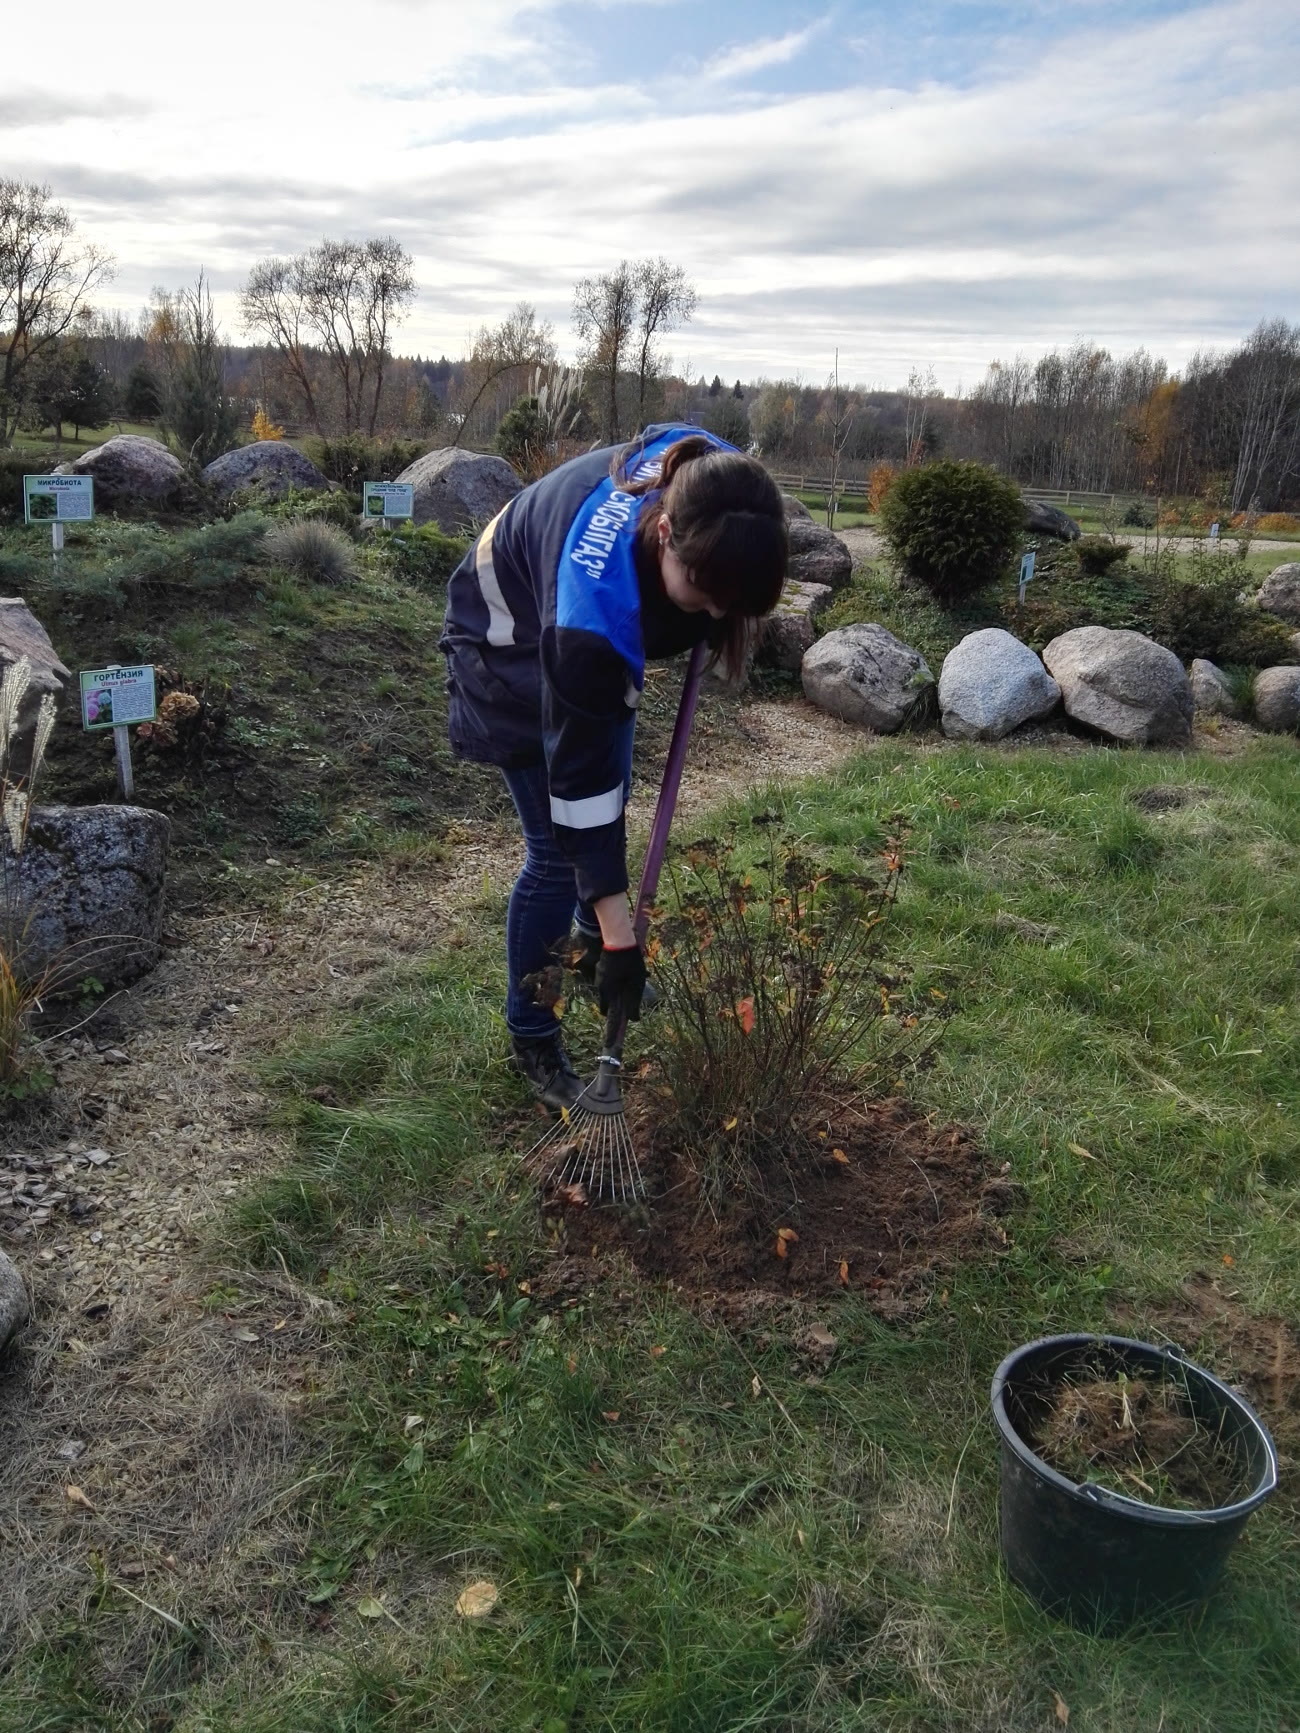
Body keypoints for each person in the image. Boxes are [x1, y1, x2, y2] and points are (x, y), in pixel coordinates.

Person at [440, 424, 788, 1108]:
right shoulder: (590, 619)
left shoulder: (713, 475)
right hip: (505, 646)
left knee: (608, 803)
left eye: (732, 600)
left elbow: (680, 441)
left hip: (580, 630)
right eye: (705, 589)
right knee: (555, 850)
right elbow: (579, 793)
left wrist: (610, 925)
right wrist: (625, 938)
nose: (718, 611)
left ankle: (589, 940)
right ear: (663, 534)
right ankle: (534, 1034)